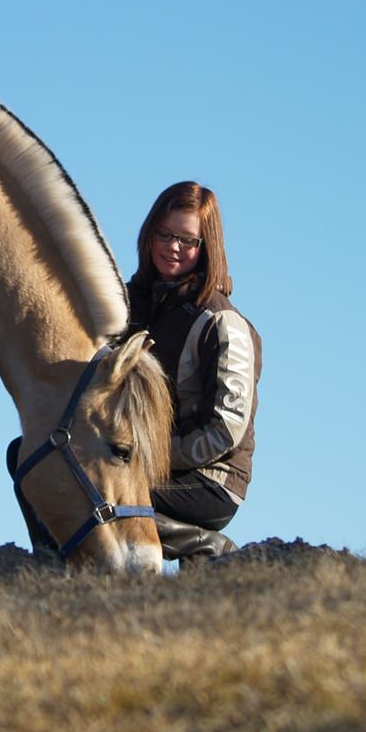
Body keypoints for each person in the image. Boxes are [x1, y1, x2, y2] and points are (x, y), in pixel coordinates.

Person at [127, 181, 262, 563]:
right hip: (144, 463)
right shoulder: (128, 304)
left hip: (210, 479)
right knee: (34, 461)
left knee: (97, 490)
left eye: (187, 240)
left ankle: (203, 546)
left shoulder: (221, 321)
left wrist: (153, 456)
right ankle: (59, 568)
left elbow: (226, 429)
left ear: (207, 248)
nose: (173, 246)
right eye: (164, 234)